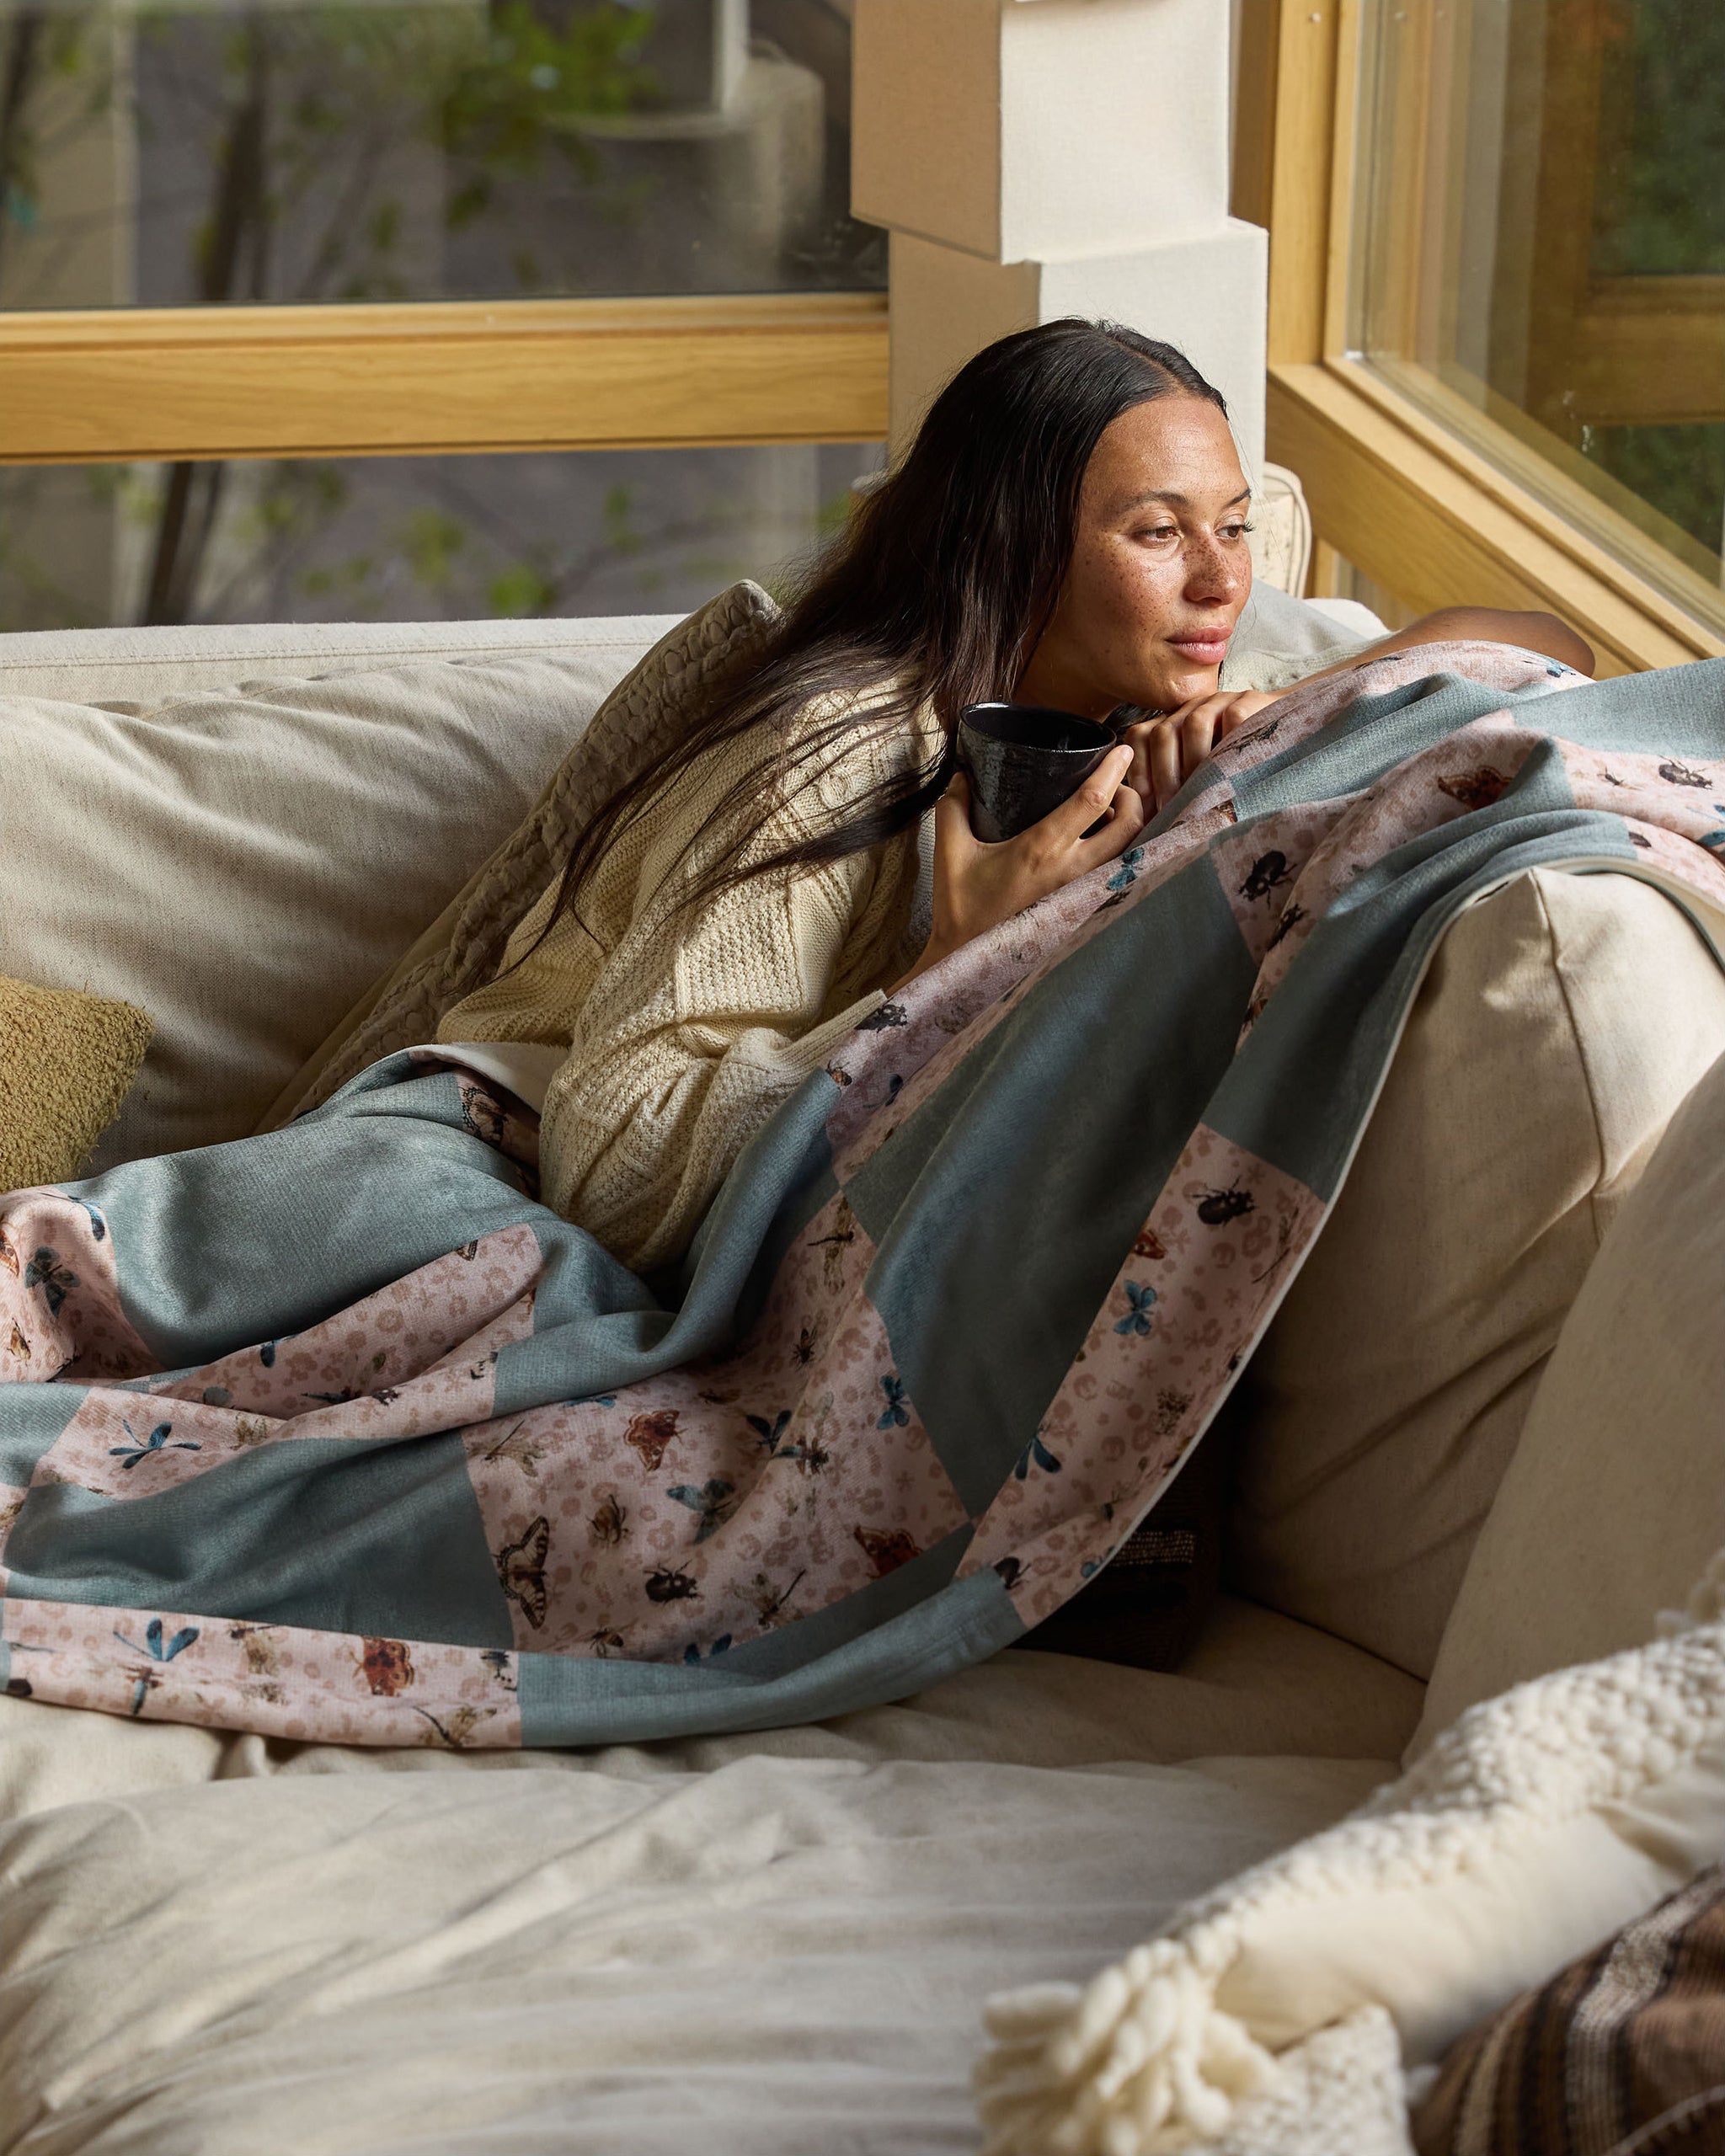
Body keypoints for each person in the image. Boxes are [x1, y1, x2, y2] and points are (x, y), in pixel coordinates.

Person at [437, 320, 1594, 1274]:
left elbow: (1546, 640)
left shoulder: (1159, 706)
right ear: (1015, 546)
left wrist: (1296, 700)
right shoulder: (841, 745)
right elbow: (612, 1167)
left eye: (1235, 526)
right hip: (476, 1185)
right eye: (1158, 532)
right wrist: (953, 958)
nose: (1223, 577)